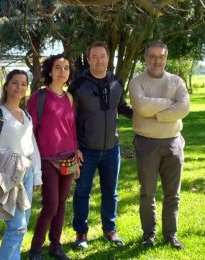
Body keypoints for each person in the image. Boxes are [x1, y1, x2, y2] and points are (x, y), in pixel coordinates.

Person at [68, 41, 132, 249]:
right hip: (86, 149)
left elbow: (121, 106)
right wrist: (74, 146)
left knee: (110, 192)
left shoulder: (117, 82)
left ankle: (110, 230)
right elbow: (70, 118)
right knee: (82, 192)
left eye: (102, 56)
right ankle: (81, 233)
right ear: (88, 60)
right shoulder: (78, 85)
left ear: (108, 58)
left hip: (112, 149)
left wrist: (144, 115)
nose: (99, 60)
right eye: (94, 56)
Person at [129, 40, 190, 249]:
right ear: (146, 58)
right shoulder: (137, 82)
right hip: (146, 144)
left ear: (166, 58)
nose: (157, 60)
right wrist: (168, 105)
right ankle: (149, 234)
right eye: (152, 56)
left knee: (173, 193)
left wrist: (155, 111)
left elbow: (183, 108)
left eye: (161, 56)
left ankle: (170, 234)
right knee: (148, 193)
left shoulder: (177, 81)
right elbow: (141, 106)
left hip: (173, 143)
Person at [0, 69, 42, 260]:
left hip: (27, 174)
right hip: (8, 175)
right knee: (16, 226)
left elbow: (32, 147)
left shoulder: (26, 116)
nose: (19, 87)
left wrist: (37, 174)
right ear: (6, 86)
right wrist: (13, 160)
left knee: (22, 225)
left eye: (23, 83)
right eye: (15, 82)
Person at [27, 54, 81, 260]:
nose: (62, 71)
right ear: (50, 71)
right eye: (58, 67)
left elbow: (72, 128)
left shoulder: (69, 98)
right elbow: (29, 132)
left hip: (68, 158)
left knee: (61, 204)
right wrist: (33, 163)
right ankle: (35, 250)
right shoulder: (38, 97)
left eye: (66, 68)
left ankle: (56, 246)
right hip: (47, 159)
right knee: (50, 205)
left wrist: (76, 151)